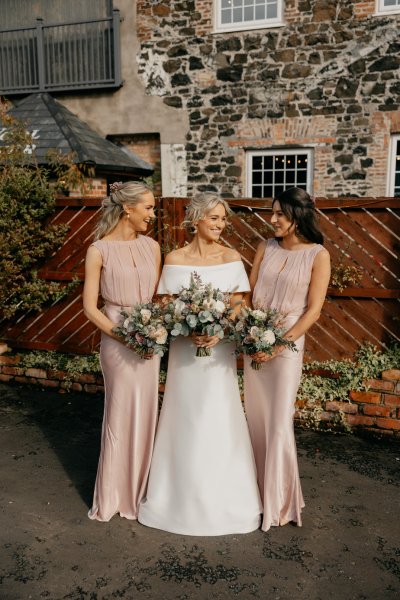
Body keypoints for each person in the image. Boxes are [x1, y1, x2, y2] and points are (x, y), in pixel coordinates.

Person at [138, 193, 262, 536]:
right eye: (214, 218)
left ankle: (226, 499)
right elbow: (163, 303)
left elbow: (241, 303)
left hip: (218, 354)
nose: (220, 225)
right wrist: (187, 325)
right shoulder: (174, 258)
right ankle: (173, 499)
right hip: (183, 352)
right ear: (196, 219)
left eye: (223, 219)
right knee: (184, 416)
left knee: (218, 415)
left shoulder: (232, 256)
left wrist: (220, 331)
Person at [244, 187, 330, 532]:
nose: (273, 219)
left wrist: (278, 345)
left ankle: (278, 503)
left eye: (280, 213)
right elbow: (248, 295)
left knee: (279, 422)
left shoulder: (317, 255)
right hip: (255, 345)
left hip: (287, 349)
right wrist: (251, 332)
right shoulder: (265, 246)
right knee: (256, 420)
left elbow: (314, 310)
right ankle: (253, 495)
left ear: (297, 217)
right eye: (273, 212)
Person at [83, 181, 161, 522]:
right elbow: (90, 308)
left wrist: (154, 331)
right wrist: (124, 336)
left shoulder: (153, 247)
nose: (153, 215)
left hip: (150, 340)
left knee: (148, 412)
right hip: (117, 341)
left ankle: (142, 492)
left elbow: (158, 299)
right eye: (148, 208)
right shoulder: (98, 250)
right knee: (119, 414)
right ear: (127, 208)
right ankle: (113, 495)